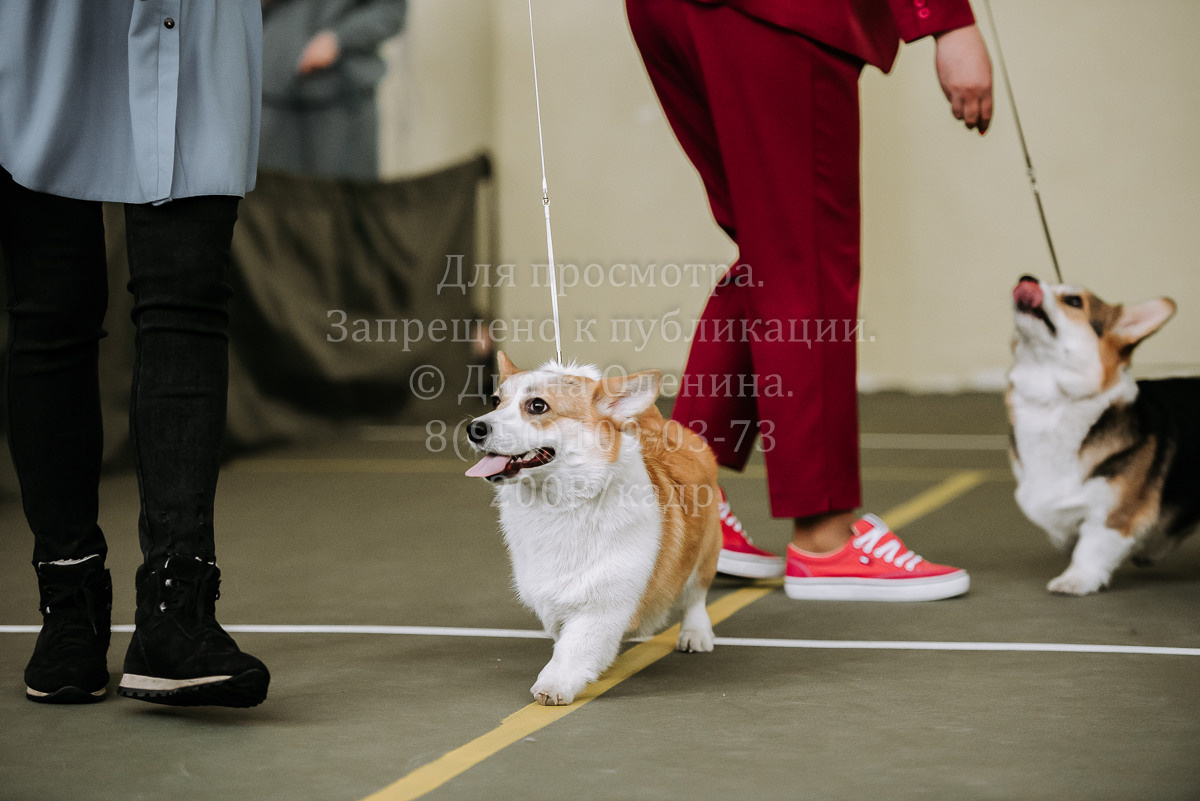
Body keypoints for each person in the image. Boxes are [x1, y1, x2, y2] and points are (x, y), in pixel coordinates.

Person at [626, 0, 993, 600]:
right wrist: (946, 20)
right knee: (808, 264)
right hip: (778, 14)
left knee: (776, 253)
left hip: (665, 12)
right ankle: (827, 537)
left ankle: (685, 496)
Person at [0, 2, 270, 706]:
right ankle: (69, 600)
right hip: (44, 23)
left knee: (188, 298)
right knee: (51, 310)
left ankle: (176, 609)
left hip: (194, 15)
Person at [260, 0, 408, 180]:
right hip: (272, 98)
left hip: (341, 104)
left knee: (345, 201)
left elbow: (391, 11)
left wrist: (338, 39)